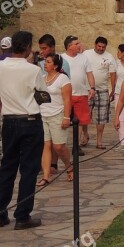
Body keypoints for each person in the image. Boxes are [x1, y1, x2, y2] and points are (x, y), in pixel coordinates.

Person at [0, 31, 47, 229]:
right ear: (27, 47)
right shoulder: (33, 70)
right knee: (29, 169)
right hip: (30, 119)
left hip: (9, 120)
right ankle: (22, 215)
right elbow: (43, 95)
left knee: (7, 167)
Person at [36, 54, 73, 187]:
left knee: (58, 146)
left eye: (48, 62)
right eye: (45, 62)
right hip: (43, 115)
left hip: (58, 115)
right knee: (45, 145)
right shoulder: (42, 78)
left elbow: (67, 100)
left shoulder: (63, 79)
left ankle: (69, 166)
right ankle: (46, 176)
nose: (45, 64)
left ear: (56, 65)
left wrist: (66, 117)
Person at [61, 36, 96, 148]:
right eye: (77, 44)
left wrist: (92, 87)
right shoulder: (61, 58)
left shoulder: (84, 58)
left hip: (81, 94)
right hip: (65, 95)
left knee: (80, 121)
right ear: (69, 46)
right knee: (63, 119)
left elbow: (89, 73)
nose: (79, 45)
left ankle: (76, 146)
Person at [83, 37, 117, 149]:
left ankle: (99, 141)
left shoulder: (109, 57)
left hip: (102, 90)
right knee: (84, 115)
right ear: (95, 45)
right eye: (99, 46)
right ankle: (85, 135)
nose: (101, 49)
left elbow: (112, 74)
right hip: (87, 90)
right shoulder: (86, 54)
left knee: (101, 117)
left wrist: (113, 89)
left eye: (103, 47)